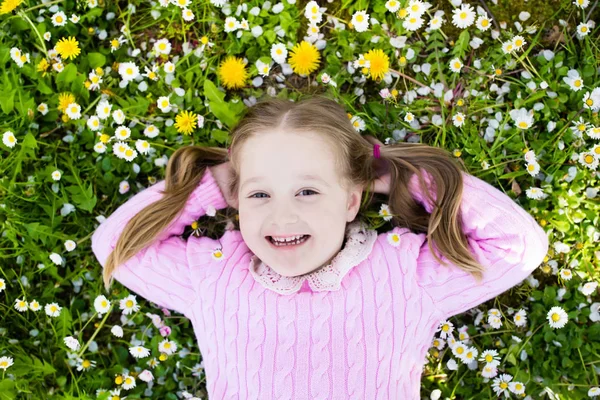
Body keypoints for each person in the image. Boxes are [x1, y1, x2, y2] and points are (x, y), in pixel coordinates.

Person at [91, 95, 549, 399]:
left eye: (307, 192)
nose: (282, 216)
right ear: (236, 201)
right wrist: (216, 182)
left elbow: (517, 246)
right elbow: (116, 245)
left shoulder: (404, 273)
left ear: (352, 199)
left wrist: (395, 177)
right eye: (259, 194)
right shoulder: (214, 273)